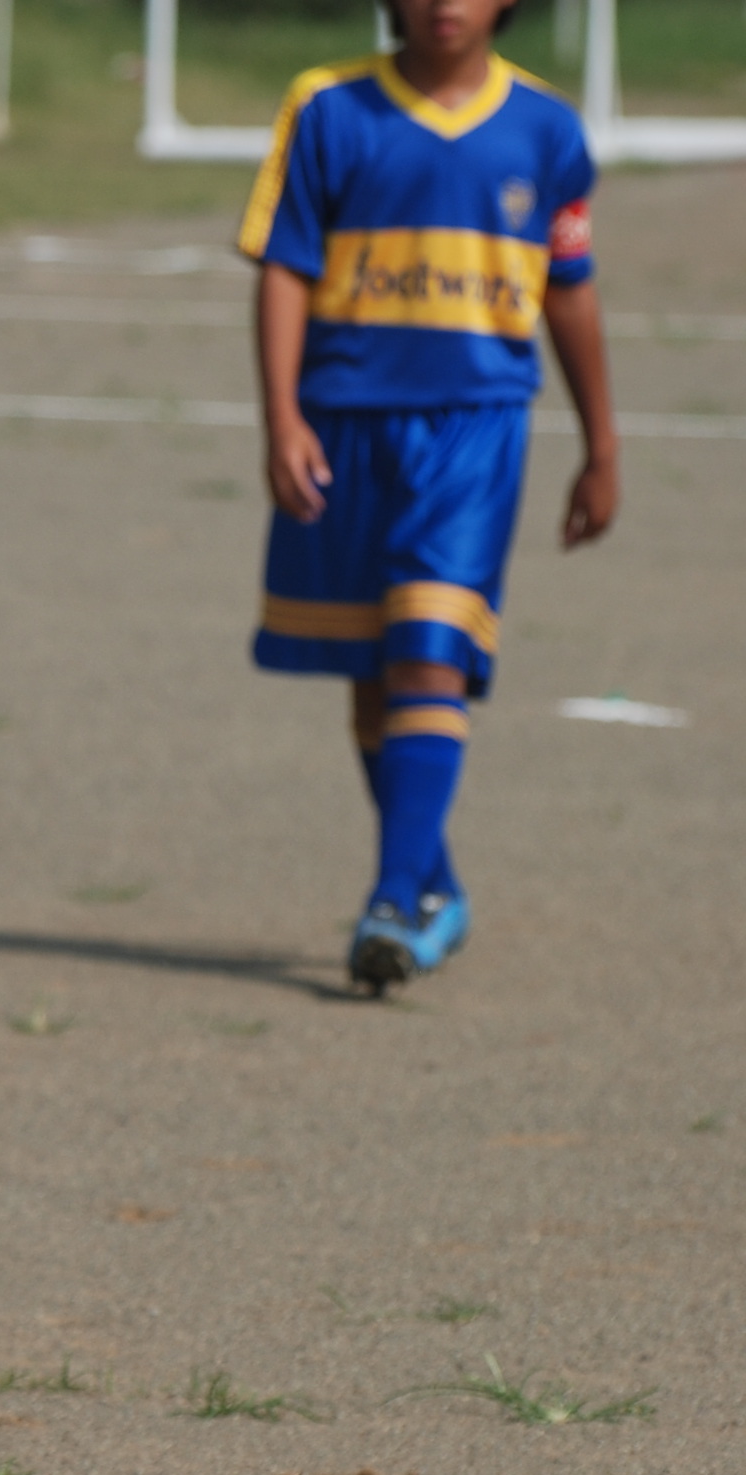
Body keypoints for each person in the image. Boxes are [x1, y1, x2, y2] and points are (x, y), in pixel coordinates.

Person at [243, 0, 618, 993]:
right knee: (374, 669)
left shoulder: (545, 126)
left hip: (474, 425)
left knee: (428, 652)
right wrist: (281, 415)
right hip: (345, 420)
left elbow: (569, 287)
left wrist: (602, 445)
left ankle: (392, 899)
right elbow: (283, 266)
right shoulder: (326, 107)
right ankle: (431, 886)